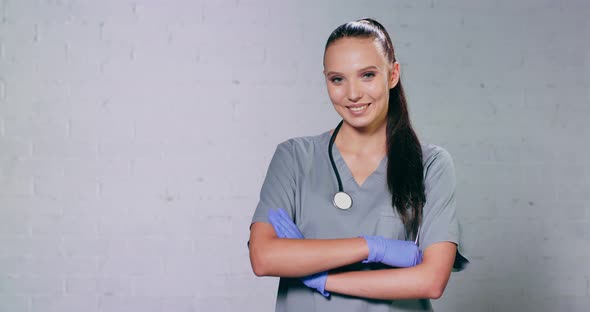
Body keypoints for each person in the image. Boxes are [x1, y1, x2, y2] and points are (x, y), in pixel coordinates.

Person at [248, 18, 468, 311]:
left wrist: (323, 279)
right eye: (337, 79)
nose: (352, 94)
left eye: (367, 75)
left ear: (393, 75)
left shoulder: (431, 164)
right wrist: (373, 247)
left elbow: (431, 280)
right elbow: (263, 258)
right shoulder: (294, 158)